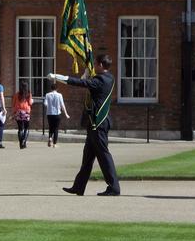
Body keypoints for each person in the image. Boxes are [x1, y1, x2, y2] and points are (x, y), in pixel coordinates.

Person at [48, 54, 120, 196]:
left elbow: (80, 83)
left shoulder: (100, 80)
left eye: (95, 64)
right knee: (87, 157)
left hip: (97, 123)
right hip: (95, 123)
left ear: (100, 65)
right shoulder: (109, 77)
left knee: (104, 156)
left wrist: (59, 77)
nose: (94, 65)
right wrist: (87, 74)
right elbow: (87, 82)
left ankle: (114, 187)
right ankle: (78, 186)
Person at [44, 83, 70, 148]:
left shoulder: (47, 95)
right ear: (57, 88)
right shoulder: (59, 95)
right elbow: (62, 105)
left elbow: (45, 104)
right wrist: (66, 114)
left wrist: (49, 106)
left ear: (51, 88)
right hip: (57, 114)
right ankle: (54, 144)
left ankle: (50, 138)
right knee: (56, 128)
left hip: (49, 114)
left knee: (50, 127)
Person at [12, 80, 33, 149]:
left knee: (20, 128)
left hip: (18, 112)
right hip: (26, 112)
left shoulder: (17, 94)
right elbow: (30, 103)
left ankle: (21, 143)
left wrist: (14, 112)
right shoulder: (28, 94)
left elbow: (14, 104)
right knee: (26, 128)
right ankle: (24, 140)